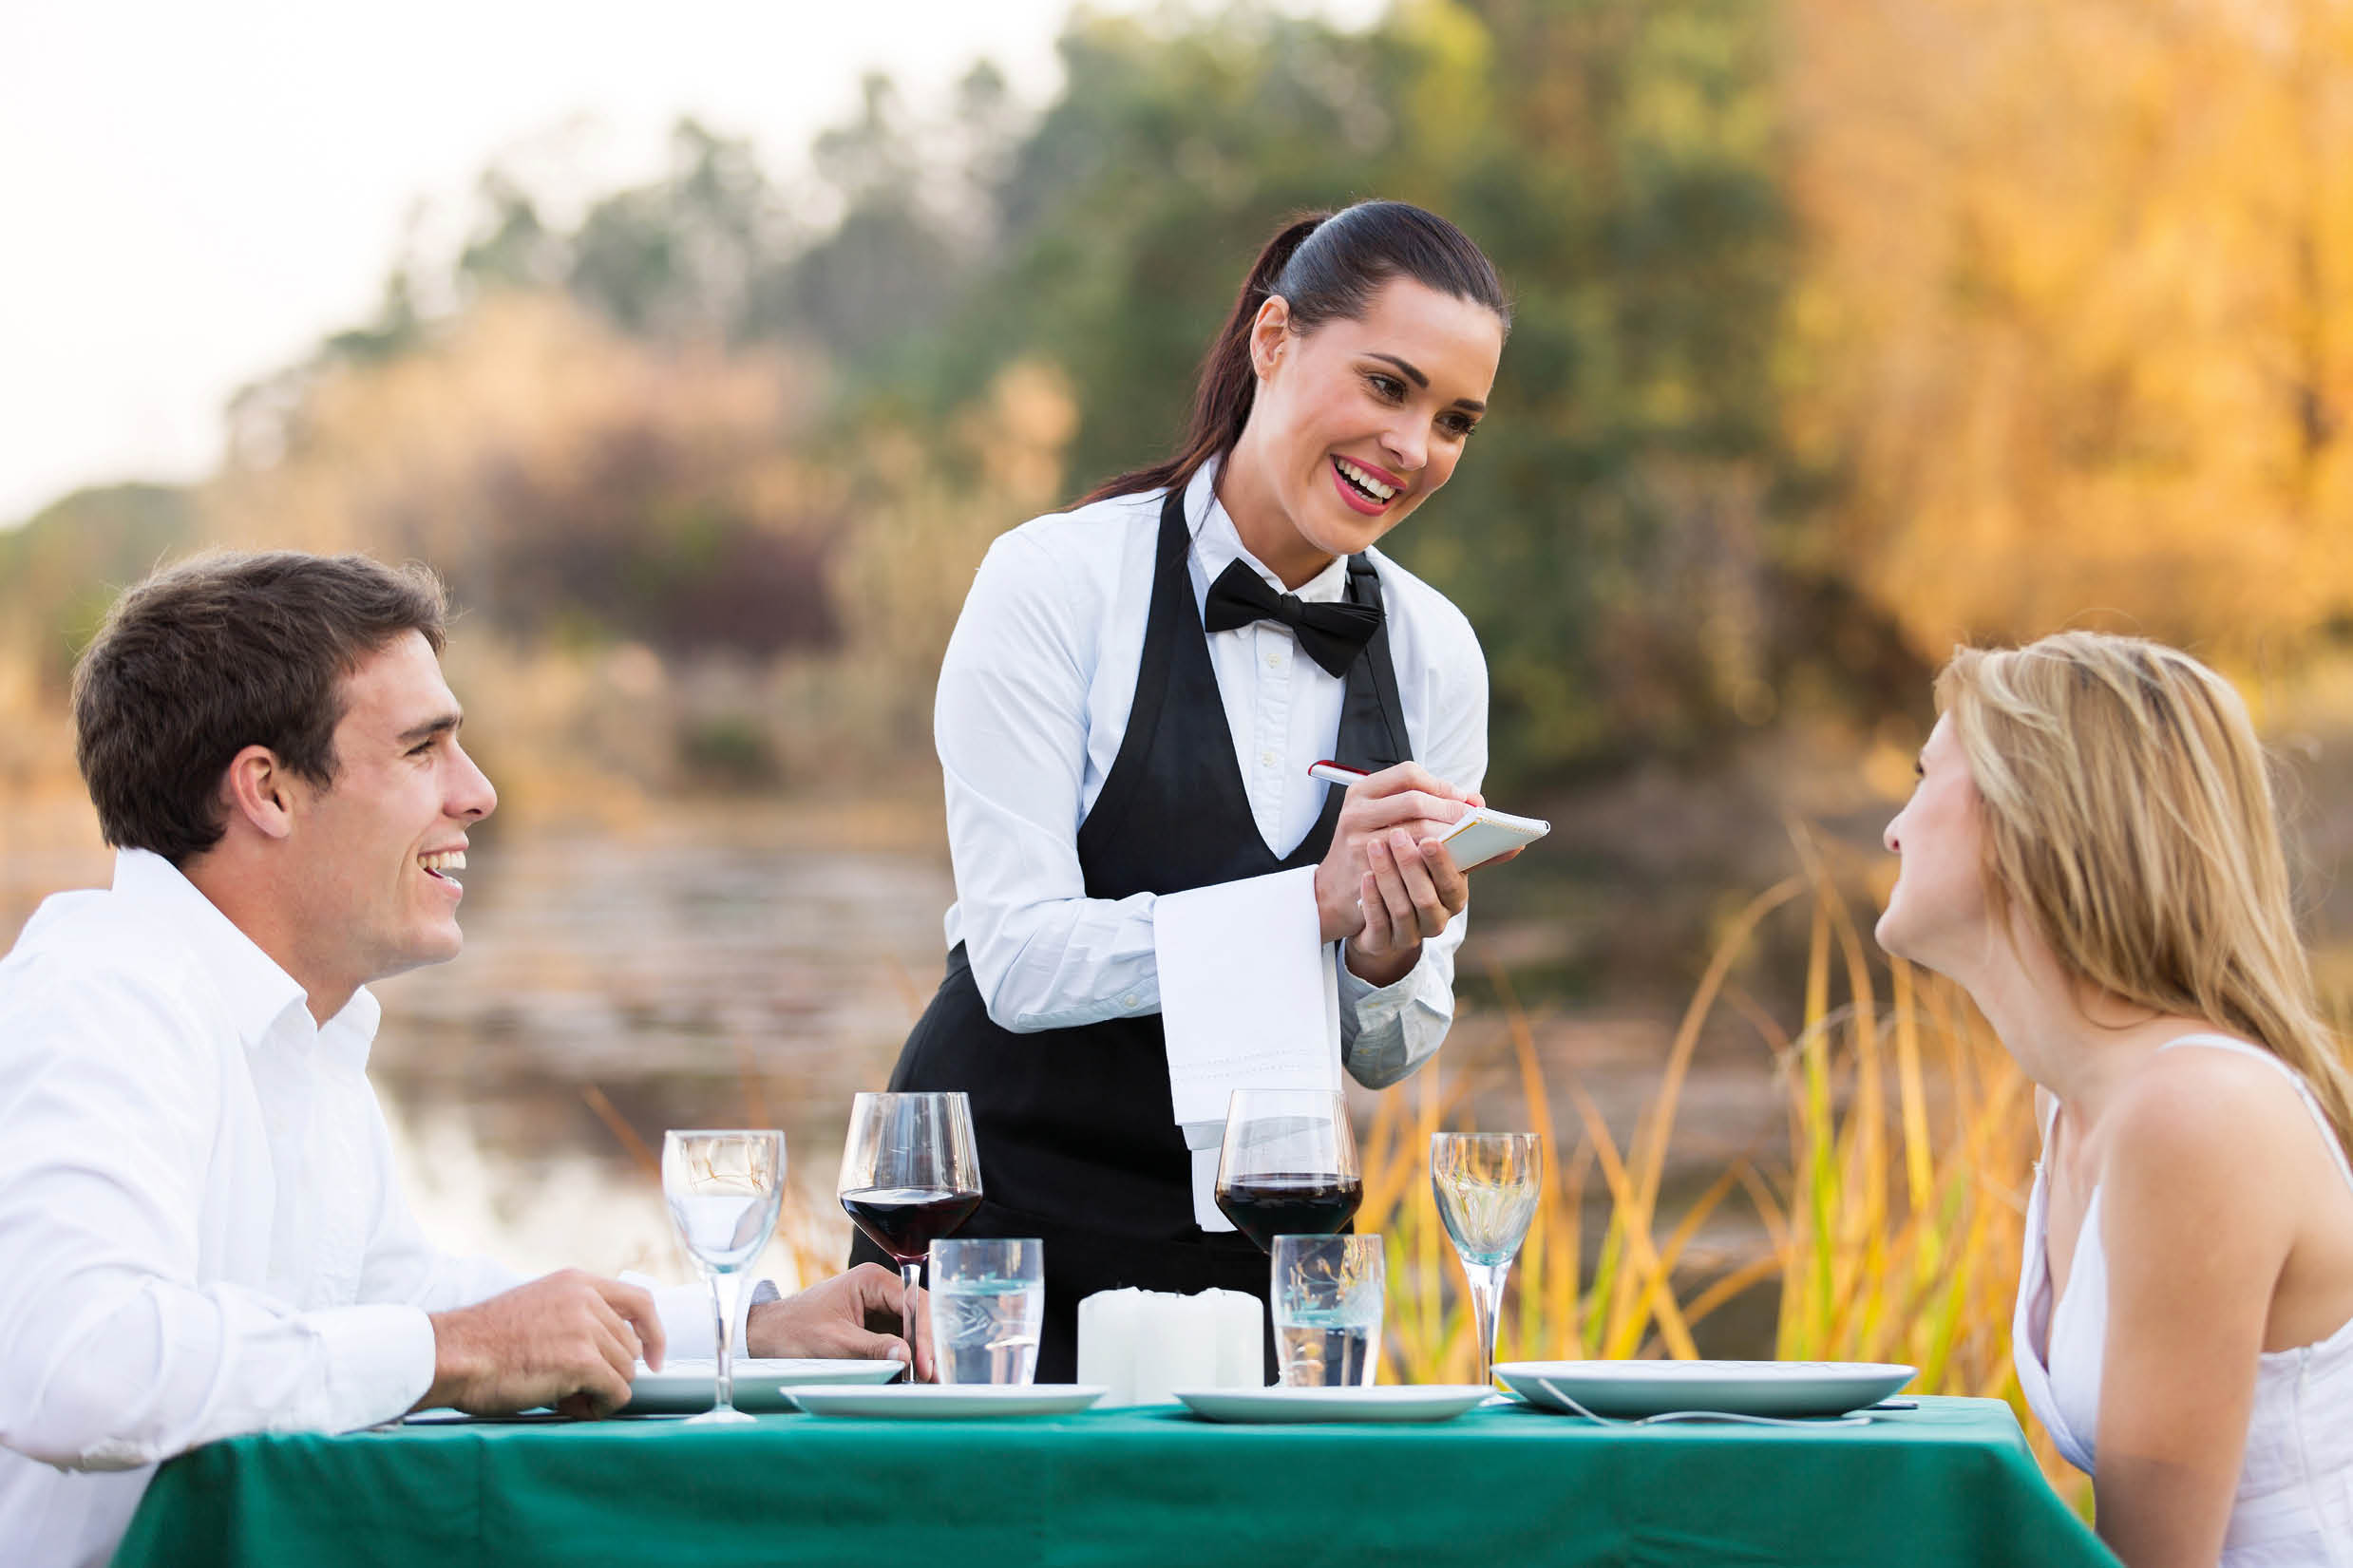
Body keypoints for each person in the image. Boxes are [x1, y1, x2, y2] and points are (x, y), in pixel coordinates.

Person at [0, 552, 920, 1568]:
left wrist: (749, 1332)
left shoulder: (297, 1033)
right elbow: (70, 1362)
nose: (477, 794)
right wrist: (459, 1353)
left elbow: (397, 1297)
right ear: (266, 788)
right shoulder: (104, 991)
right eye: (422, 748)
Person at [854, 200, 1515, 1379]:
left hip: (1269, 1223)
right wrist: (1303, 908)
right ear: (1272, 341)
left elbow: (1391, 1045)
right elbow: (1018, 961)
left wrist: (1381, 956)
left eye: (1453, 418)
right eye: (1385, 386)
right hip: (993, 1228)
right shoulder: (1053, 584)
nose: (1413, 445)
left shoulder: (1435, 652)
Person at [1877, 631, 2353, 1567]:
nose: (1892, 827)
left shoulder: (2193, 1115)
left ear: (2027, 815)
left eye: (1924, 775)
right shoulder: (2085, 1105)